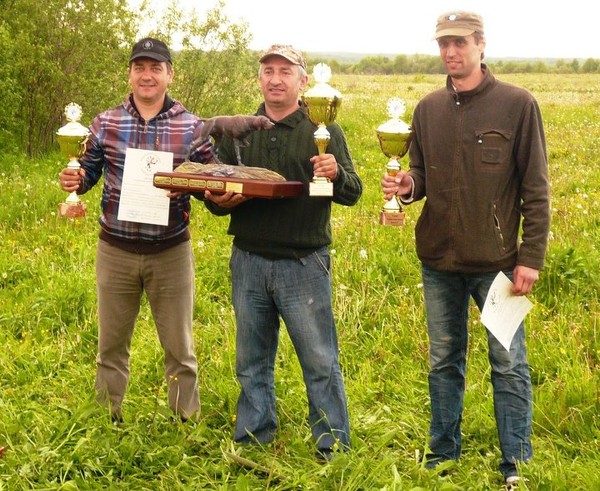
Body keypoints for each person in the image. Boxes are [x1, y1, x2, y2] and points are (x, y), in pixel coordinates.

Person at [381, 11, 550, 488]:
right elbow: (421, 175)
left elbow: (536, 188)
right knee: (443, 361)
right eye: (443, 44)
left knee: (509, 363)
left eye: (459, 42)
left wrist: (530, 258)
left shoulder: (518, 104)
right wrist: (406, 186)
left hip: (499, 266)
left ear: (481, 44)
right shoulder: (427, 109)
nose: (450, 52)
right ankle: (442, 455)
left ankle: (515, 463)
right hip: (439, 261)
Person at [204, 44, 362, 460]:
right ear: (259, 78)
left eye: (285, 71)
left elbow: (353, 193)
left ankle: (332, 446)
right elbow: (216, 196)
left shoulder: (323, 129)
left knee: (320, 361)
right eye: (268, 71)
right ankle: (254, 438)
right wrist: (216, 199)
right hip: (249, 260)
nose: (275, 79)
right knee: (250, 360)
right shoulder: (239, 129)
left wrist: (336, 174)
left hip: (303, 263)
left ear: (303, 81)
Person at [59, 37, 216, 422]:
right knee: (111, 346)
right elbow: (89, 172)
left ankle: (184, 421)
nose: (147, 75)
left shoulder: (192, 126)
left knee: (180, 348)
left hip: (170, 252)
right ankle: (105, 418)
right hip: (115, 251)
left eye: (155, 68)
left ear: (170, 75)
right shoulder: (105, 123)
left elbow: (210, 181)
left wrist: (199, 187)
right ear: (129, 74)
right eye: (139, 67)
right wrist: (74, 179)